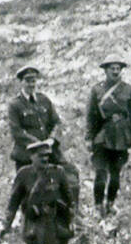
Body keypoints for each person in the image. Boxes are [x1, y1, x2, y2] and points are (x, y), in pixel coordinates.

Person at [1, 139, 75, 244]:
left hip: (57, 230)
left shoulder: (58, 173)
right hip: (35, 230)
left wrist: (70, 218)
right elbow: (13, 203)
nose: (45, 160)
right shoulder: (24, 174)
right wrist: (6, 225)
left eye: (47, 156)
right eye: (41, 156)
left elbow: (70, 200)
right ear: (32, 156)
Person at [7, 65, 80, 205]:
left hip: (49, 150)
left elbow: (57, 123)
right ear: (21, 82)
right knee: (26, 188)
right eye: (28, 80)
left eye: (33, 81)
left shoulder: (44, 100)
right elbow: (16, 131)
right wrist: (37, 144)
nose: (31, 84)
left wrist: (52, 139)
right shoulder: (15, 105)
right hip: (27, 154)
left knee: (71, 174)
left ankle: (72, 211)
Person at [85, 57, 131, 217]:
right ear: (105, 70)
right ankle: (98, 206)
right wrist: (89, 138)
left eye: (118, 68)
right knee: (101, 172)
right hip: (102, 136)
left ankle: (110, 203)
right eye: (112, 68)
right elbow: (90, 116)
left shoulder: (128, 90)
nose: (115, 71)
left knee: (116, 174)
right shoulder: (97, 90)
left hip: (122, 137)